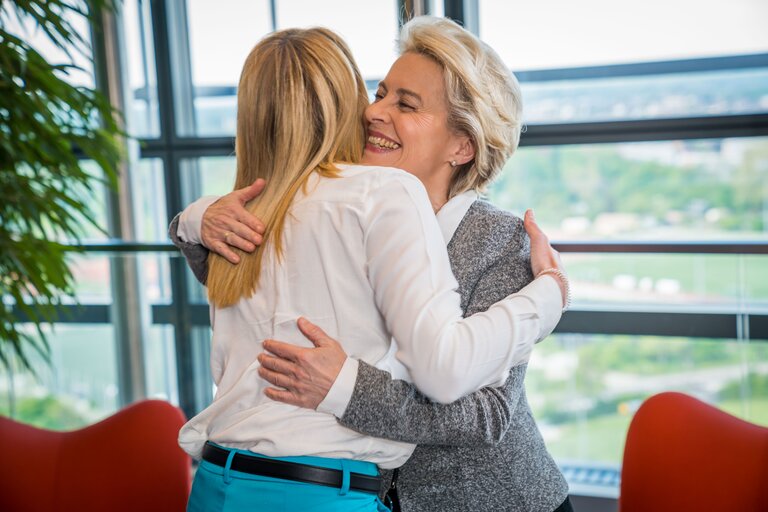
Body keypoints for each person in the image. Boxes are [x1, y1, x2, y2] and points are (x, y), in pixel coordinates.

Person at [174, 22, 568, 512]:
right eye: (380, 93)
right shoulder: (338, 209)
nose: (374, 112)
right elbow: (252, 291)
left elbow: (485, 417)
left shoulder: (500, 242)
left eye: (405, 104)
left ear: (461, 146)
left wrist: (344, 387)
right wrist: (194, 222)